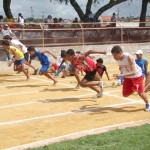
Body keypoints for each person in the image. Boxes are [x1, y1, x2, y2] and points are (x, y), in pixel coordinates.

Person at [111, 45, 150, 111]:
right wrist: (121, 71)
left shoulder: (129, 57)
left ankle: (148, 104)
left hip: (137, 76)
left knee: (140, 93)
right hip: (127, 76)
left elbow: (133, 72)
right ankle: (135, 89)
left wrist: (121, 75)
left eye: (115, 55)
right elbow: (122, 67)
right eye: (113, 55)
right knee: (125, 95)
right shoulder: (117, 59)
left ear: (120, 53)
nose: (114, 57)